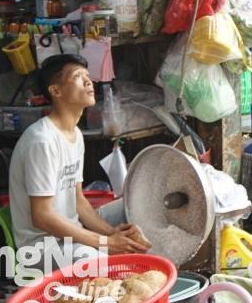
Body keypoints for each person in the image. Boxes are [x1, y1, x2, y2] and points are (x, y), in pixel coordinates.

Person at [8, 54, 149, 271]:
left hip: (71, 233)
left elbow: (78, 200)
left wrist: (113, 234)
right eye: (77, 76)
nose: (88, 81)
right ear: (56, 91)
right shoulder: (42, 141)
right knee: (96, 262)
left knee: (137, 206)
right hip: (42, 247)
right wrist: (106, 243)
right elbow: (42, 216)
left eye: (87, 75)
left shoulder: (75, 134)